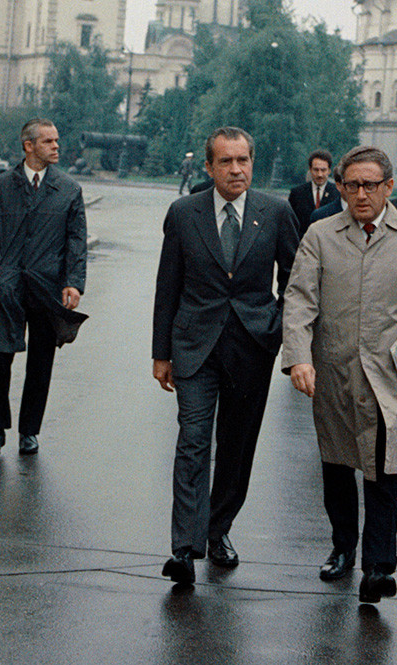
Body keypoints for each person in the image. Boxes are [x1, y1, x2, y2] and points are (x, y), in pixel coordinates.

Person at [282, 146, 397, 604]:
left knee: (383, 473)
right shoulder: (320, 235)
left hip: (389, 377)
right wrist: (299, 357)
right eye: (351, 185)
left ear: (388, 187)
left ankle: (379, 566)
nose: (360, 194)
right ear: (339, 188)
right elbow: (299, 301)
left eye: (370, 185)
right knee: (336, 467)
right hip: (334, 372)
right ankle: (342, 548)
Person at [152, 126, 299, 585]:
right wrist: (161, 352)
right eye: (226, 162)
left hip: (251, 347)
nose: (236, 170)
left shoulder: (276, 212)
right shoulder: (183, 213)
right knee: (192, 443)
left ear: (251, 163)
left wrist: (276, 329)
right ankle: (183, 548)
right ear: (210, 167)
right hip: (194, 347)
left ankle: (218, 531)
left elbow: (294, 280)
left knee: (236, 448)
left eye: (243, 161)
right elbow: (167, 285)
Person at [0, 118, 87, 458]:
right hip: (6, 288)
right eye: (49, 141)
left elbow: (76, 242)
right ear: (29, 146)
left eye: (57, 140)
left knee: (41, 362)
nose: (56, 146)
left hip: (46, 287)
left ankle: (29, 432)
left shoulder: (68, 189)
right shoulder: (1, 186)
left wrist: (73, 283)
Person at [288, 150, 339, 237]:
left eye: (323, 170)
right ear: (310, 170)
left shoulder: (338, 193)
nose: (320, 174)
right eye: (316, 170)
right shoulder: (297, 193)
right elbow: (290, 224)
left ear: (329, 171)